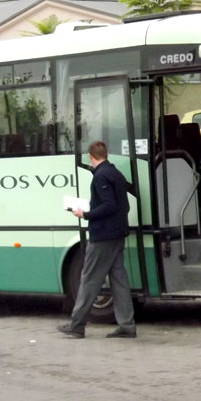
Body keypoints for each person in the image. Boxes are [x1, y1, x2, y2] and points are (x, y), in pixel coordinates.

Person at [57, 141, 137, 339]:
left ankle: (76, 325)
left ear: (91, 157)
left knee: (89, 279)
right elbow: (124, 206)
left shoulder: (101, 176)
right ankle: (127, 325)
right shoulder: (116, 173)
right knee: (119, 281)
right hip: (118, 234)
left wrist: (85, 214)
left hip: (103, 236)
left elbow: (109, 205)